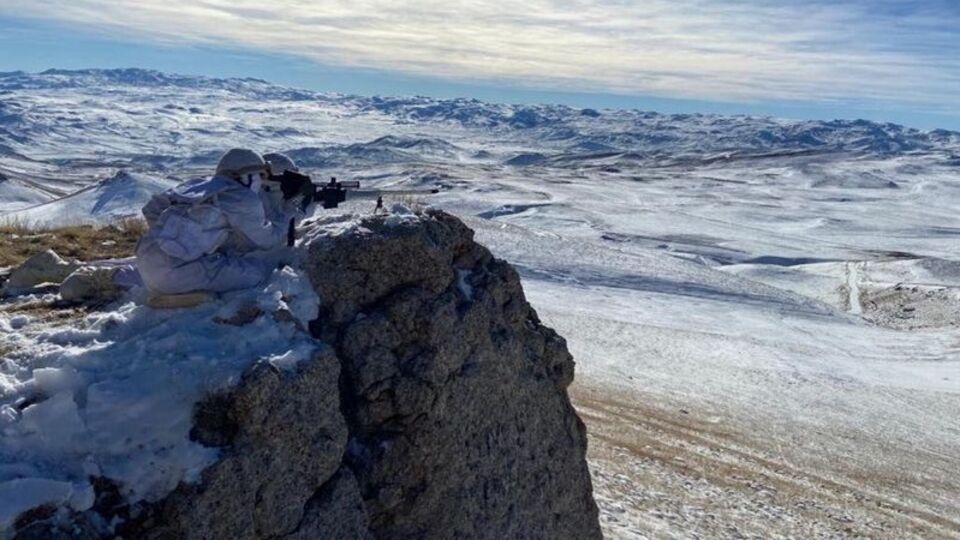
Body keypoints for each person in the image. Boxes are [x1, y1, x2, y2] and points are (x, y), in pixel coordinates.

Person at [135, 149, 291, 300]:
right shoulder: (241, 197)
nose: (260, 182)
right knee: (257, 273)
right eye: (259, 175)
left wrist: (171, 239)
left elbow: (151, 209)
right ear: (245, 175)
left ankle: (173, 282)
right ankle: (190, 295)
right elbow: (267, 240)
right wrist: (293, 210)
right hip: (174, 274)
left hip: (145, 261)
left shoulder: (196, 185)